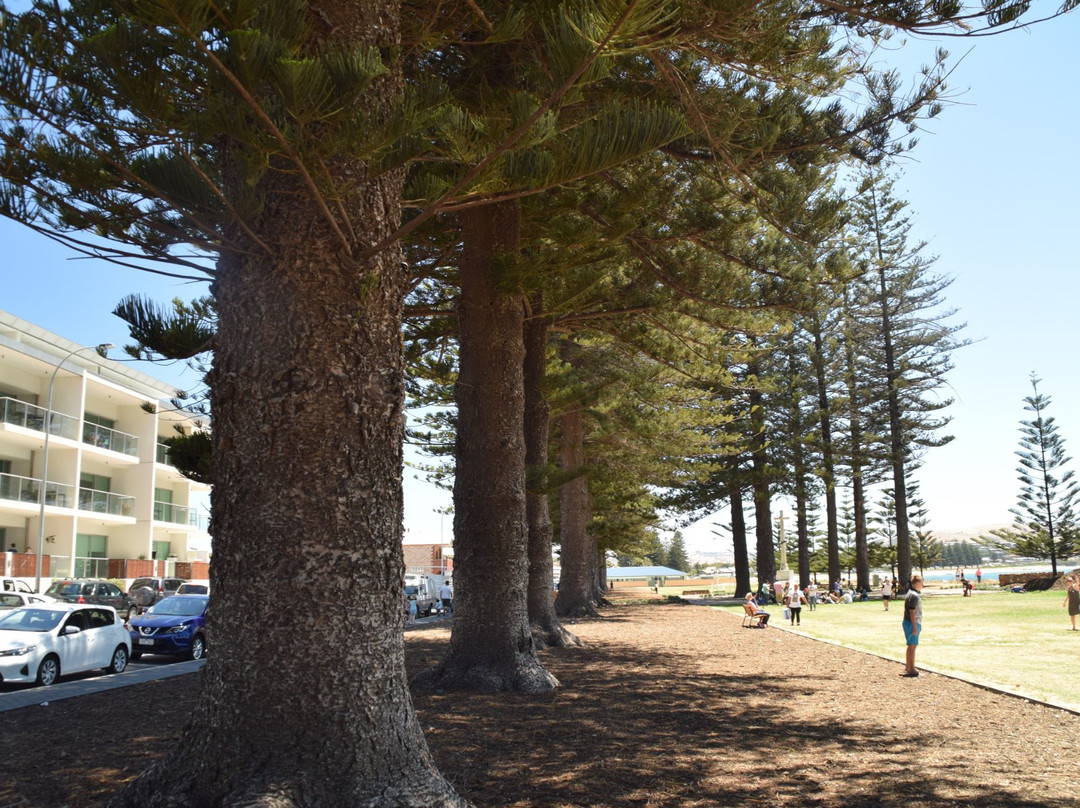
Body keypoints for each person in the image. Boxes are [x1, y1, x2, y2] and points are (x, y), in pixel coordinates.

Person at [902, 575, 924, 677]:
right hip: (911, 623)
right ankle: (912, 668)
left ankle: (908, 666)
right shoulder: (914, 595)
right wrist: (915, 627)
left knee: (911, 645)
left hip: (910, 622)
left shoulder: (911, 593)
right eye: (921, 583)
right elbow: (912, 611)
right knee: (912, 646)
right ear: (917, 583)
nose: (922, 585)